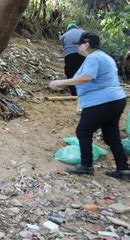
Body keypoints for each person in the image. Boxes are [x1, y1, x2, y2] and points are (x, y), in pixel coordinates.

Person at [49, 32, 130, 181]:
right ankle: (123, 169)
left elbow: (87, 77)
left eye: (79, 45)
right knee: (111, 136)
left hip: (102, 102)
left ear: (86, 44)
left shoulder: (94, 57)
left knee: (83, 131)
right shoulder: (105, 57)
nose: (78, 48)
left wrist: (61, 82)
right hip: (116, 100)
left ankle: (86, 165)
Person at [60, 23, 85, 96]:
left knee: (70, 73)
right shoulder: (82, 32)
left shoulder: (64, 35)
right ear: (76, 28)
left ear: (68, 29)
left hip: (69, 55)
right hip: (82, 54)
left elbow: (64, 47)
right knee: (83, 72)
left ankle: (74, 93)